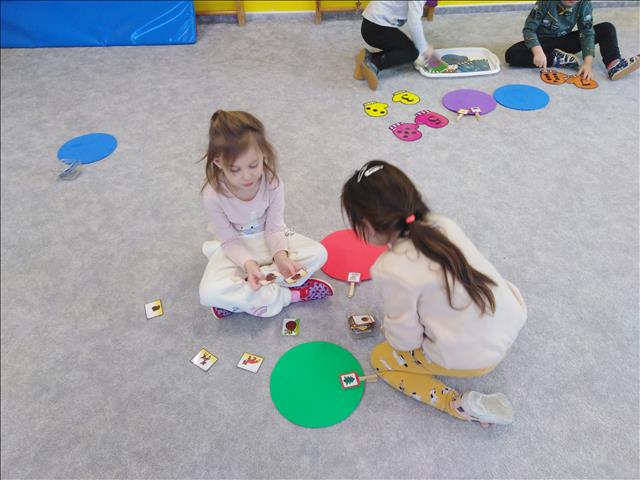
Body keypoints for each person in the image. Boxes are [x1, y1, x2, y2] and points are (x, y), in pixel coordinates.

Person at [341, 161, 527, 425]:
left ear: (367, 225)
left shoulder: (389, 269)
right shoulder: (443, 224)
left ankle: (457, 404)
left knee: (380, 359)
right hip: (509, 317)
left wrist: (390, 330)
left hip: (476, 357)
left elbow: (405, 340)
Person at [199, 110, 332, 319]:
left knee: (319, 253)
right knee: (207, 293)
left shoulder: (273, 182)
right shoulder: (212, 195)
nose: (247, 176)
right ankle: (290, 295)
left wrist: (281, 257)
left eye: (253, 165)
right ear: (218, 162)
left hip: (269, 238)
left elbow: (275, 227)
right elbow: (229, 240)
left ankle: (243, 298)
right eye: (235, 170)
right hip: (236, 245)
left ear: (263, 154)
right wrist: (249, 265)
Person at [505, 0, 639, 81]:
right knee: (511, 54)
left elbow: (586, 33)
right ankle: (557, 59)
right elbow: (529, 29)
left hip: (565, 41)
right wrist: (538, 52)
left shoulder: (584, 3)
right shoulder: (545, 2)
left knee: (607, 28)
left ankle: (614, 64)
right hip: (543, 42)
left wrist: (588, 63)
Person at [354, 0, 436, 90]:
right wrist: (424, 48)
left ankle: (369, 57)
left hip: (371, 24)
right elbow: (414, 23)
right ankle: (374, 64)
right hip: (376, 29)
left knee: (404, 45)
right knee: (411, 53)